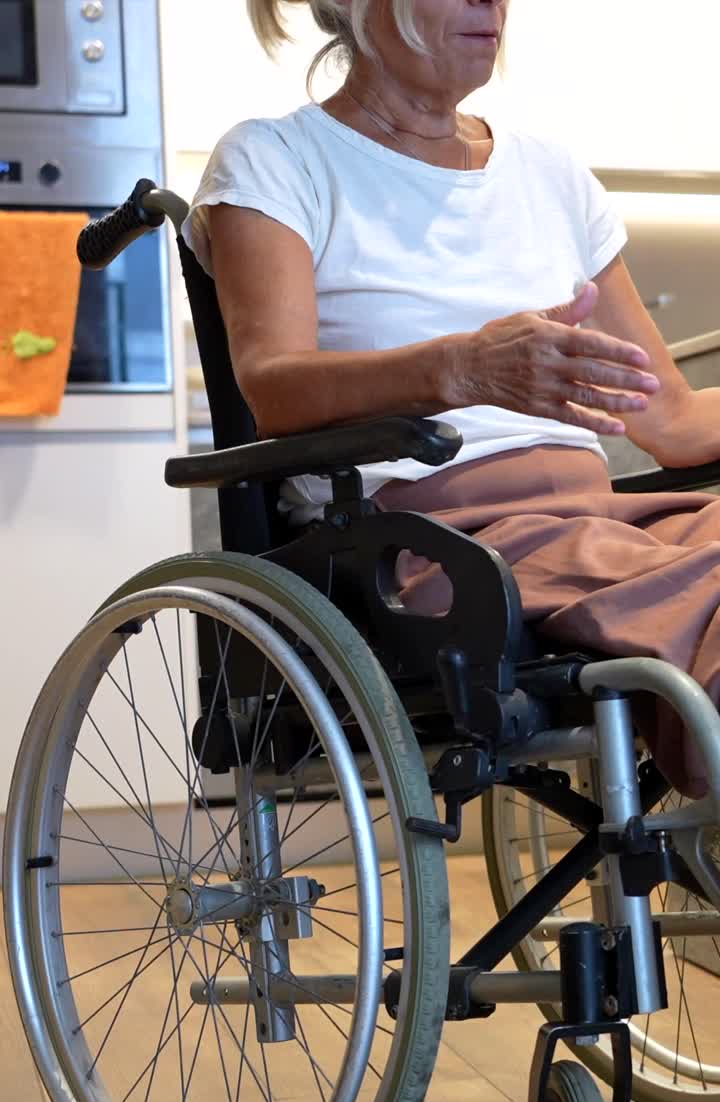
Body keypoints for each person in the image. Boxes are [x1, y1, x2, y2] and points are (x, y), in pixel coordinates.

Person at [182, 0, 720, 797]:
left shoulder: (550, 173)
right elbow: (273, 387)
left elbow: (669, 420)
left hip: (603, 525)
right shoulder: (276, 159)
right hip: (434, 549)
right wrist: (462, 370)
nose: (490, 2)